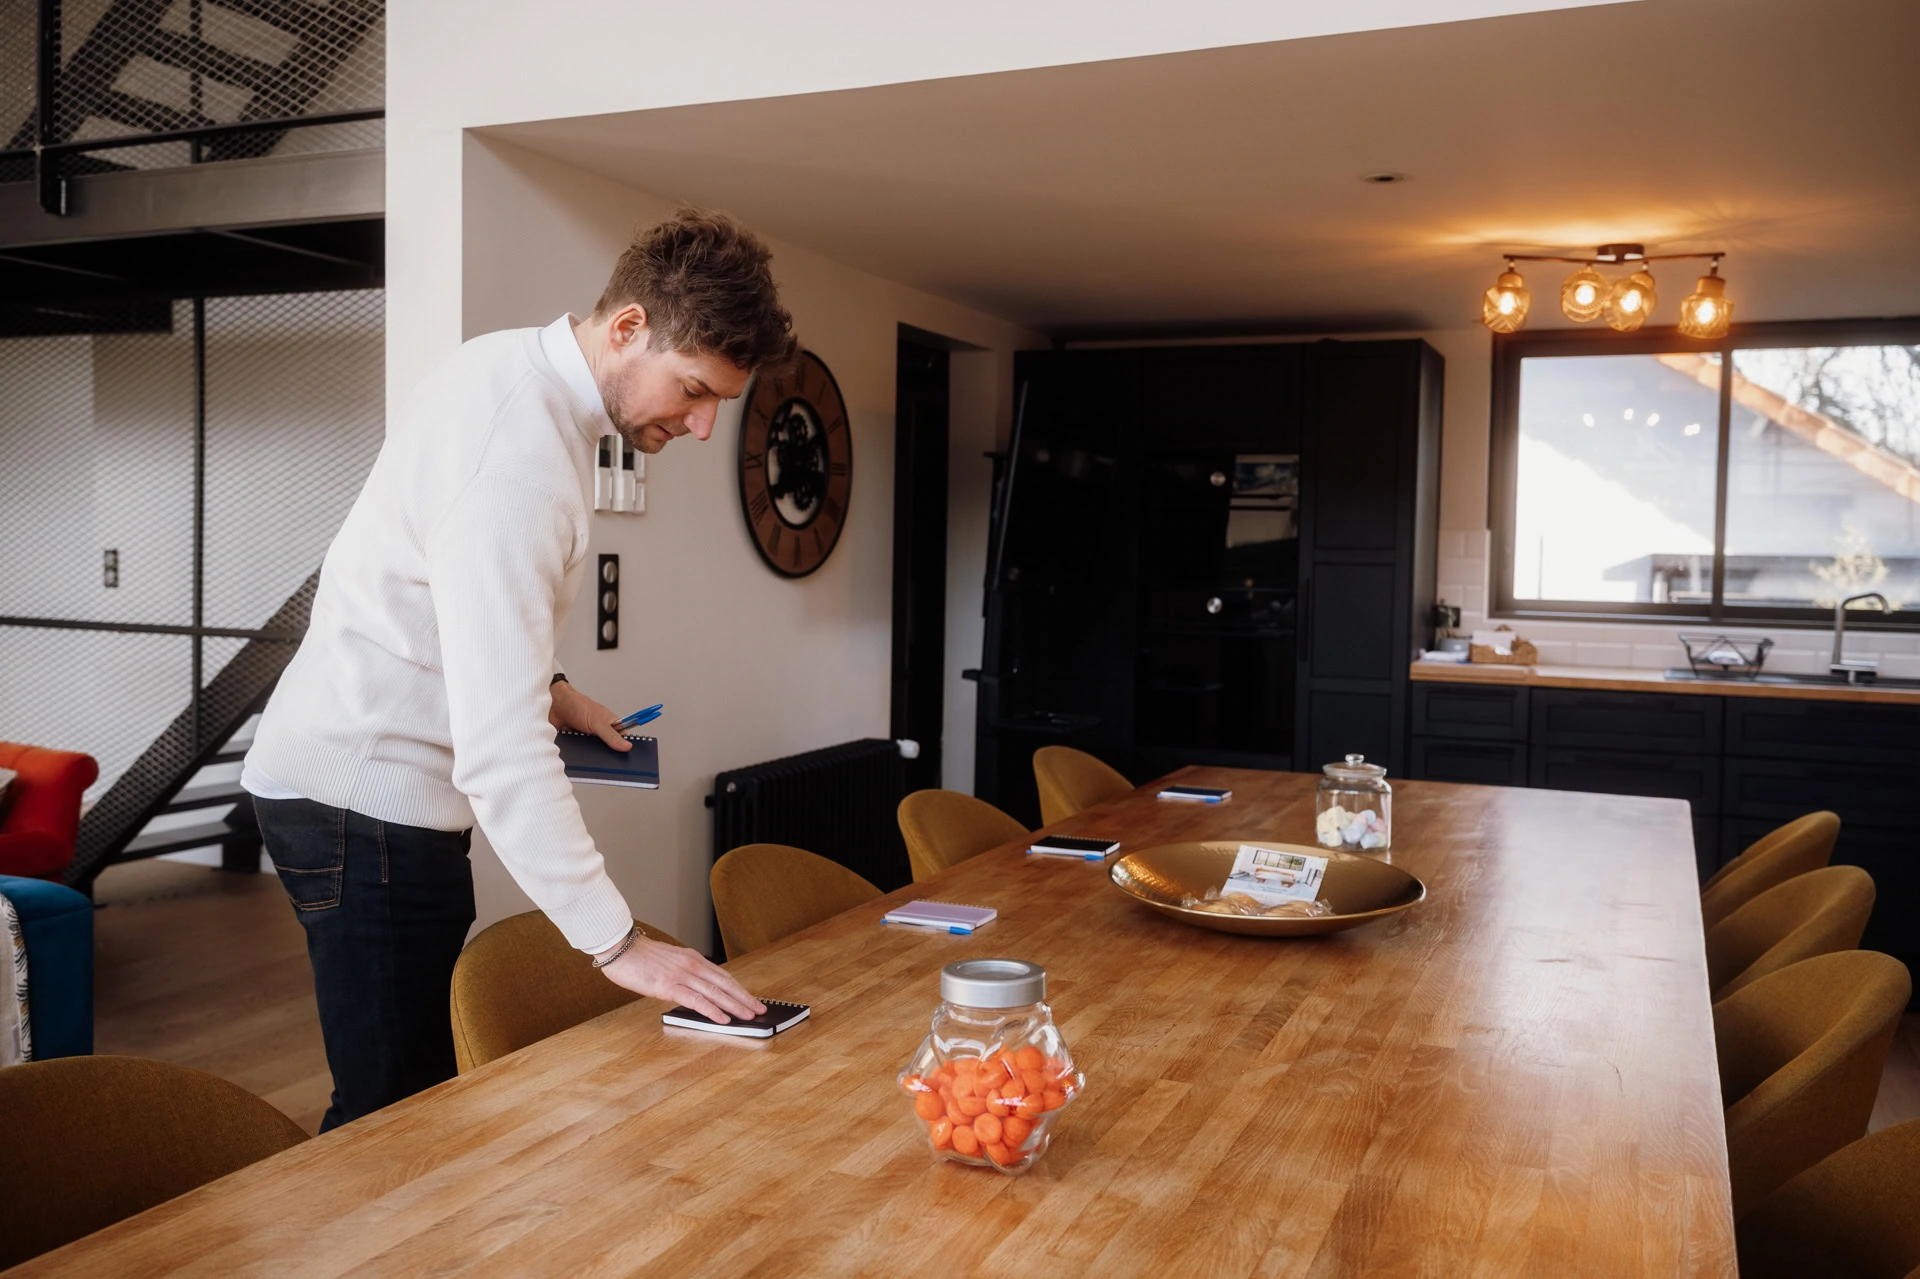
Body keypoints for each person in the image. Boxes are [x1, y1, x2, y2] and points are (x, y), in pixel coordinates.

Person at [242, 209, 790, 1131]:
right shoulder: (520, 456)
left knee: (405, 1096)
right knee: (388, 1118)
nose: (701, 426)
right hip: (363, 798)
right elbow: (499, 750)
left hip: (354, 784)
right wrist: (618, 942)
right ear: (627, 329)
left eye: (718, 405)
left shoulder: (505, 370)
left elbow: (455, 593)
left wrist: (555, 688)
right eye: (694, 389)